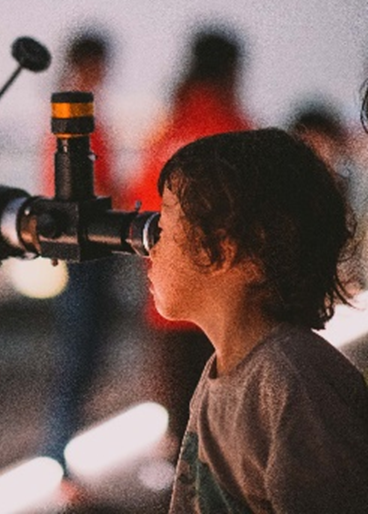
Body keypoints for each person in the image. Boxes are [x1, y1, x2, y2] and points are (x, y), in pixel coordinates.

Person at [149, 129, 368, 512]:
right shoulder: (224, 371)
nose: (149, 245)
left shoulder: (293, 384)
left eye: (164, 230)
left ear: (223, 251)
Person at [128, 27, 252, 444]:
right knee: (222, 426)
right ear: (231, 70)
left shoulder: (169, 124)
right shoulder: (232, 127)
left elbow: (140, 195)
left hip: (166, 298)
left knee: (181, 417)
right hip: (218, 304)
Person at [42, 30, 124, 469]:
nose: (108, 74)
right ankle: (57, 454)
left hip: (89, 250)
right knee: (80, 355)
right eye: (103, 64)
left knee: (84, 354)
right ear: (89, 62)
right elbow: (75, 185)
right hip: (85, 249)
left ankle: (60, 451)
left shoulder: (78, 110)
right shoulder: (73, 114)